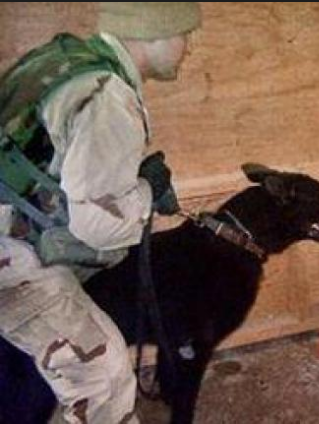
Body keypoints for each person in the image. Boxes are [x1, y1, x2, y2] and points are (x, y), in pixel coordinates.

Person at [0, 3, 200, 423]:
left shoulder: (61, 60)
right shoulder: (105, 95)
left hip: (14, 233)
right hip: (12, 258)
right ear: (153, 32)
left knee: (24, 373)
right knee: (104, 378)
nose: (190, 47)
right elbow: (97, 227)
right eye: (185, 33)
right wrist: (148, 191)